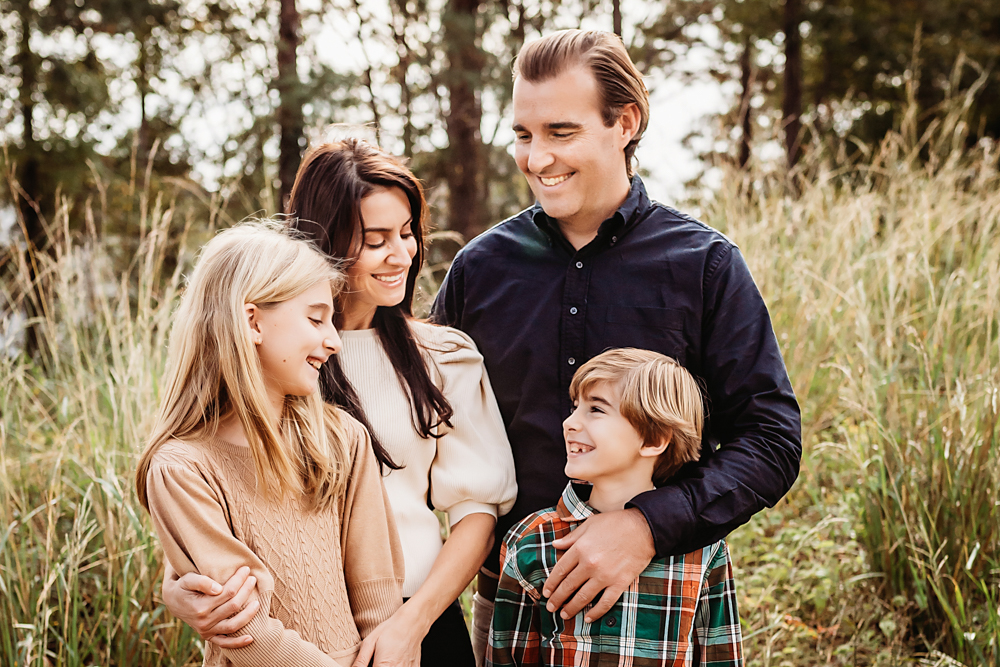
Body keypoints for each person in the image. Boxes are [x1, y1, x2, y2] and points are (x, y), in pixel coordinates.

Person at [430, 29, 800, 662]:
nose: (536, 159)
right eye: (523, 135)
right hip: (514, 596)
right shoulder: (479, 270)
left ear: (624, 122)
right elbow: (418, 424)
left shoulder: (704, 265)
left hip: (665, 590)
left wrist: (646, 526)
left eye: (561, 133)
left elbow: (770, 439)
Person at [159, 139, 518, 667]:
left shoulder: (443, 357)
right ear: (326, 241)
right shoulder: (278, 357)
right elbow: (213, 485)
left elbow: (477, 512)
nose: (402, 254)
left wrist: (409, 626)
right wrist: (178, 586)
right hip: (288, 634)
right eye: (376, 241)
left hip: (416, 622)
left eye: (406, 232)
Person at [136, 220, 405, 667]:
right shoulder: (182, 468)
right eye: (316, 317)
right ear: (252, 321)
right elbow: (243, 624)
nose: (333, 340)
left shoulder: (342, 439)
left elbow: (377, 591)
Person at [487, 349, 743, 666]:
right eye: (574, 407)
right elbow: (506, 658)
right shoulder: (532, 540)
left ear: (653, 440)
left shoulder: (704, 549)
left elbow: (721, 657)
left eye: (595, 409)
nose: (569, 422)